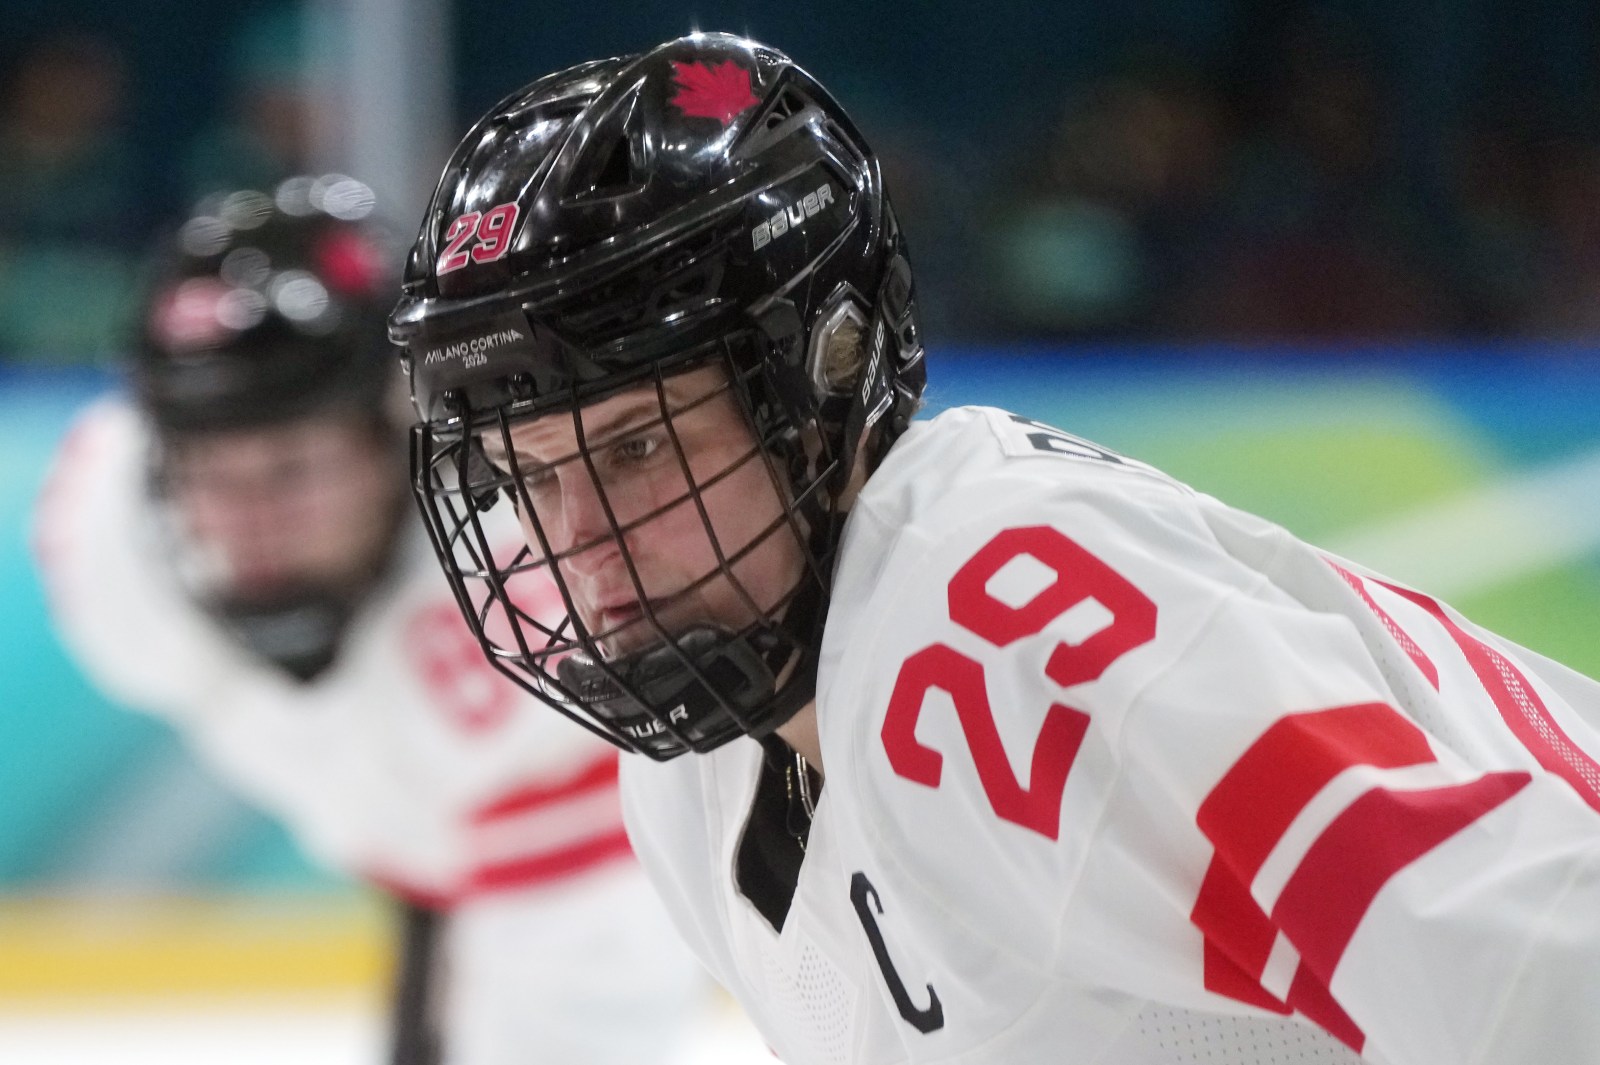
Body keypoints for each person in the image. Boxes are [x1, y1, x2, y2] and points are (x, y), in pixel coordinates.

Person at [389, 32, 1600, 1065]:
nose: (578, 541)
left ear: (823, 376)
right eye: (532, 472)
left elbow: (1538, 962)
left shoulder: (1003, 623)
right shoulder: (692, 776)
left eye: (637, 451)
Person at [32, 176, 710, 1065]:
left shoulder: (542, 596)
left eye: (290, 465)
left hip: (562, 870)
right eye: (209, 468)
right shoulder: (108, 539)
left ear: (398, 429)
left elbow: (578, 1001)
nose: (249, 518)